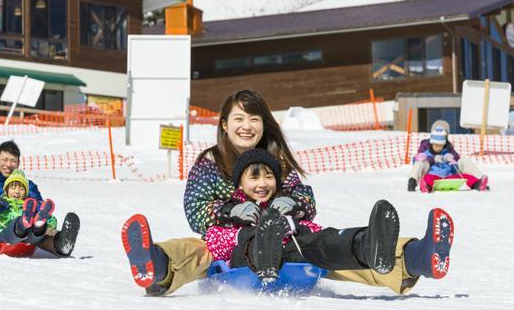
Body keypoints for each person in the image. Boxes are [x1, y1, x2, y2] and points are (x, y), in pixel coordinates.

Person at [121, 89, 455, 296]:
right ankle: (155, 263)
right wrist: (228, 212)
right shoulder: (211, 162)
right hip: (227, 245)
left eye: (254, 118)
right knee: (194, 250)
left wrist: (291, 203)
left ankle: (417, 257)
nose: (246, 126)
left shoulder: (275, 161)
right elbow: (196, 210)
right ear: (224, 123)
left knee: (333, 247)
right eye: (238, 118)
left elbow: (306, 200)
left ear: (264, 124)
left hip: (287, 239)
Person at [206, 148, 404, 280]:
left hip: (290, 263)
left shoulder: (281, 207)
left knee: (316, 242)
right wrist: (242, 232)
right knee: (250, 244)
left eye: (269, 177)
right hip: (247, 266)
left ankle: (366, 246)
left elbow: (313, 231)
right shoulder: (232, 211)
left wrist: (293, 226)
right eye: (254, 177)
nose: (263, 183)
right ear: (240, 183)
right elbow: (212, 241)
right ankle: (264, 256)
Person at [0, 169, 78, 256]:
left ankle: (62, 243)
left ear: (26, 192)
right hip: (4, 236)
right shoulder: (0, 203)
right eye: (13, 187)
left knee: (46, 232)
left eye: (21, 188)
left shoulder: (31, 204)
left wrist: (44, 217)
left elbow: (53, 223)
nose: (17, 191)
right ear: (6, 190)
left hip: (32, 238)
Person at [408, 120, 488, 192]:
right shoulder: (426, 144)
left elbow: (457, 159)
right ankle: (413, 181)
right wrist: (433, 158)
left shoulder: (448, 146)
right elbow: (418, 159)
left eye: (445, 131)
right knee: (422, 165)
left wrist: (452, 158)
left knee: (464, 161)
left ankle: (479, 182)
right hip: (431, 171)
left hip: (448, 173)